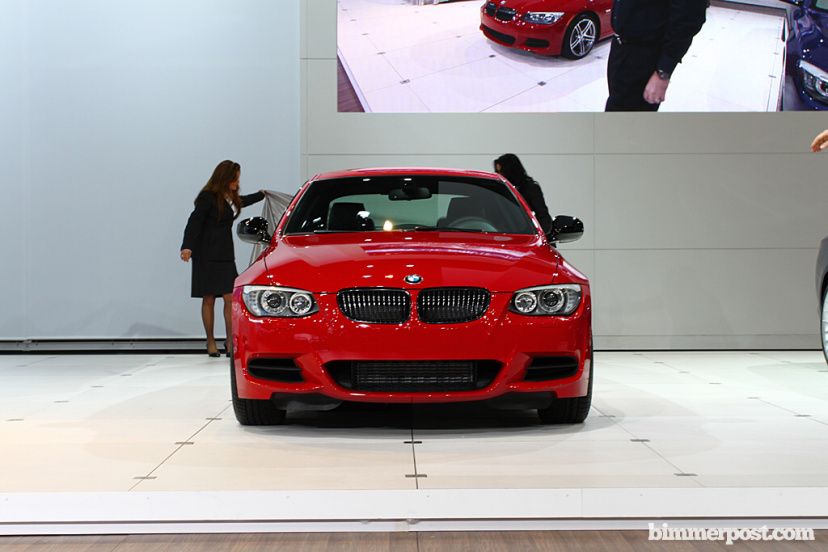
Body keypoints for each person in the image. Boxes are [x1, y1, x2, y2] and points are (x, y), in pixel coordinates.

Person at [180, 160, 265, 357]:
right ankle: (210, 341)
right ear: (224, 178)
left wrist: (262, 195)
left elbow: (242, 201)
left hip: (225, 253)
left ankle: (229, 340)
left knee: (229, 297)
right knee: (209, 298)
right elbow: (194, 221)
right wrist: (187, 246)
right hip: (206, 253)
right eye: (234, 178)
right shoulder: (207, 197)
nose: (237, 182)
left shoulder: (231, 197)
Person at [605, 0, 708, 112]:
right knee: (616, 104)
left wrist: (663, 72)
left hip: (645, 56)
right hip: (621, 47)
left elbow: (688, 20)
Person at [494, 154, 553, 235]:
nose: (499, 175)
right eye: (497, 171)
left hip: (527, 234)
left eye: (501, 171)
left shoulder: (530, 188)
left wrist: (544, 236)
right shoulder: (497, 190)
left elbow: (542, 214)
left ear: (510, 171)